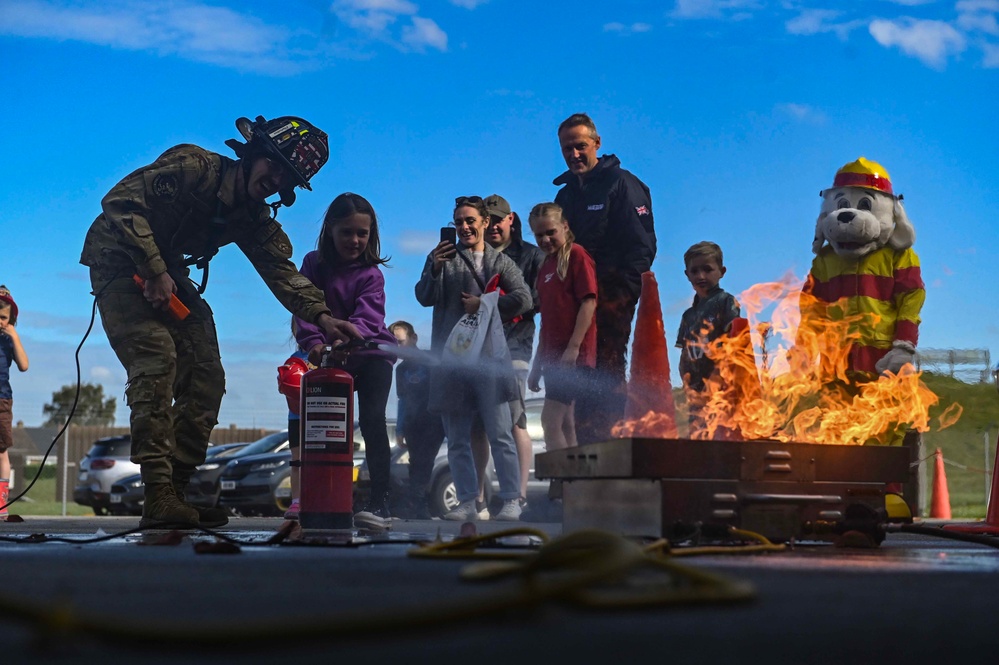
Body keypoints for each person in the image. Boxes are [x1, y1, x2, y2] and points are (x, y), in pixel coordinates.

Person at [80, 115, 359, 529]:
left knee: (207, 373)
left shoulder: (250, 215)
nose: (275, 178)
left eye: (288, 177)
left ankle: (176, 491)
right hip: (117, 260)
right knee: (156, 358)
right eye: (273, 164)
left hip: (167, 272)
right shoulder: (195, 168)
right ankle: (157, 494)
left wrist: (323, 316)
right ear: (252, 154)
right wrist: (155, 269)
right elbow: (119, 202)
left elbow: (281, 272)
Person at [415, 196, 531, 522]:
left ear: (484, 222)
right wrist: (434, 268)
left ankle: (510, 500)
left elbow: (523, 299)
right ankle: (467, 501)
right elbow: (424, 296)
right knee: (457, 439)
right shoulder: (444, 257)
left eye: (469, 221)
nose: (463, 227)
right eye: (458, 222)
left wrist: (485, 303)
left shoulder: (501, 262)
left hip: (491, 362)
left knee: (501, 434)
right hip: (452, 364)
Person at [295, 192, 398, 529]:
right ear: (330, 230)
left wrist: (345, 339)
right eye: (346, 232)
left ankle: (380, 503)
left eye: (362, 234)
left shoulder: (371, 274)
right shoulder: (313, 264)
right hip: (329, 360)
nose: (355, 240)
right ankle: (325, 498)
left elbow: (369, 319)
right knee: (325, 430)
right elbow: (302, 307)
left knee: (372, 421)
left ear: (371, 236)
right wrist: (313, 343)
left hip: (371, 358)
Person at [553, 113, 656, 444]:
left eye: (580, 146)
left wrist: (619, 299)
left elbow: (642, 248)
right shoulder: (564, 197)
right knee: (578, 382)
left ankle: (610, 452)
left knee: (607, 377)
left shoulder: (623, 184)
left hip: (611, 304)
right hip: (574, 308)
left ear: (597, 144)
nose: (574, 155)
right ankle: (585, 456)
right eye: (567, 148)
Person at [468, 195, 546, 515]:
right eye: (488, 220)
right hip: (475, 350)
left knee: (514, 419)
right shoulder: (473, 254)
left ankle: (518, 496)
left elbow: (536, 302)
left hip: (515, 345)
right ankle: (477, 497)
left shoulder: (531, 256)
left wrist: (497, 304)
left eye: (499, 219)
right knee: (477, 424)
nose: (494, 226)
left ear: (510, 219)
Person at [523, 204, 597, 521]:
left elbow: (589, 302)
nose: (545, 239)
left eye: (550, 232)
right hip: (552, 358)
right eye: (539, 235)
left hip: (572, 357)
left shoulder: (577, 255)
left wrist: (574, 348)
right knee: (565, 424)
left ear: (564, 227)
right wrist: (538, 364)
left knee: (551, 422)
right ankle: (574, 493)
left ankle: (565, 488)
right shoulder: (545, 268)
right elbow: (548, 322)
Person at [675, 241, 741, 439]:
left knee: (719, 438)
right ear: (687, 275)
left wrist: (717, 377)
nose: (700, 276)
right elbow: (684, 353)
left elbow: (734, 342)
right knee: (696, 437)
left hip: (721, 389)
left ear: (721, 271)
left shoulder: (725, 302)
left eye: (707, 269)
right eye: (694, 271)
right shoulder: (688, 315)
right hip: (695, 392)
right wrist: (686, 384)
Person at [388, 320, 444, 519]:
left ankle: (420, 503)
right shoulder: (400, 370)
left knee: (425, 462)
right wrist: (400, 428)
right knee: (415, 463)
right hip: (413, 423)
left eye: (400, 341)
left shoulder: (430, 359)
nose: (397, 347)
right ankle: (417, 505)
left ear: (414, 338)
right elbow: (402, 399)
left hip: (433, 421)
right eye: (392, 343)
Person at [276, 319, 311, 521]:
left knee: (317, 461)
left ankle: (318, 497)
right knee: (297, 461)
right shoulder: (294, 359)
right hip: (296, 417)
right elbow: (285, 388)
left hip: (317, 418)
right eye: (299, 328)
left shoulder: (328, 356)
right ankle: (297, 501)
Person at [0, 286, 29, 521]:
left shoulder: (8, 341)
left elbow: (24, 365)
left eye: (3, 317)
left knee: (1, 451)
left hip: (1, 400)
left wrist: (15, 336)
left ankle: (1, 501)